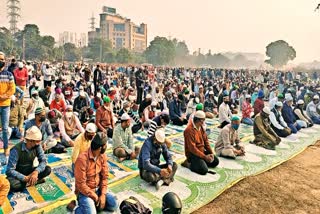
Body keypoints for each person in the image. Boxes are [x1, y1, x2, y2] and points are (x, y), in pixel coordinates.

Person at [68, 132, 118, 213]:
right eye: (105, 145)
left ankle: (93, 205)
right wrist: (95, 197)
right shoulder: (82, 159)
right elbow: (81, 185)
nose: (107, 147)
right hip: (85, 193)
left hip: (98, 189)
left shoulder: (102, 156)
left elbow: (104, 177)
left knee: (114, 205)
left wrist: (103, 195)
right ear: (101, 147)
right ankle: (74, 208)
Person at [6, 126, 51, 192]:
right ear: (30, 141)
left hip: (29, 171)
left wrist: (36, 172)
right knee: (11, 184)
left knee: (47, 169)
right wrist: (24, 178)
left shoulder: (37, 146)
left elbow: (43, 161)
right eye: (37, 141)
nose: (38, 143)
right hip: (18, 175)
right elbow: (10, 170)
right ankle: (34, 181)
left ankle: (30, 182)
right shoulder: (16, 150)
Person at [182, 111, 219, 175]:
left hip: (201, 152)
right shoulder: (189, 130)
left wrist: (211, 153)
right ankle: (188, 164)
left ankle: (201, 162)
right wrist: (205, 157)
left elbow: (206, 141)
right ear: (199, 121)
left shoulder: (200, 127)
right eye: (203, 120)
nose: (204, 122)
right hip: (193, 154)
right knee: (203, 170)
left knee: (215, 161)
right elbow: (192, 149)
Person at [0, 51, 16, 157]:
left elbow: (12, 89)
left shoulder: (9, 74)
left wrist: (4, 96)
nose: (1, 61)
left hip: (5, 105)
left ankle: (6, 148)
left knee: (5, 128)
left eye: (2, 59)